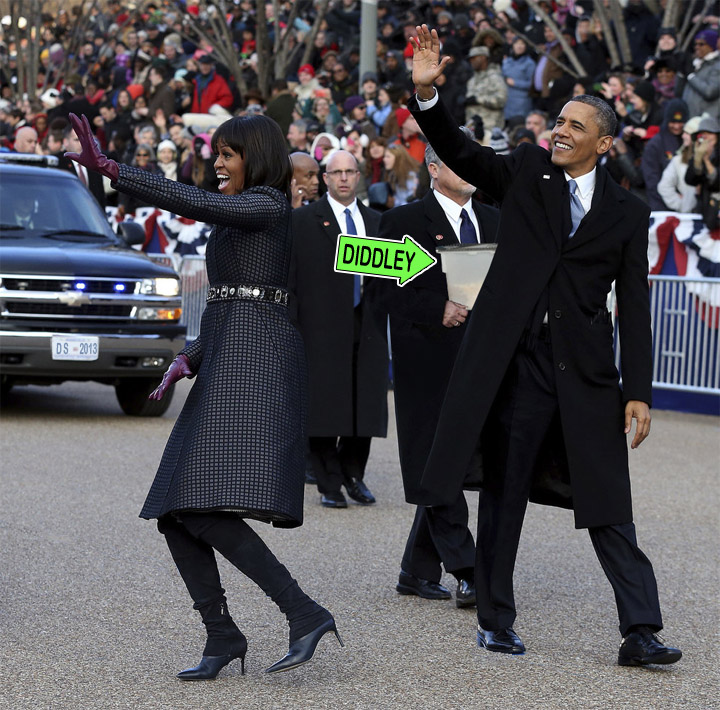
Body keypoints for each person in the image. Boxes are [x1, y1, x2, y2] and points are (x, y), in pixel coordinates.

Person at [408, 25, 682, 667]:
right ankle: (496, 619)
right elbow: (464, 152)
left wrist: (637, 390)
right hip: (519, 367)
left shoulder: (628, 210)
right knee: (504, 493)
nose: (558, 130)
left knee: (611, 500)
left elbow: (635, 307)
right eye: (557, 120)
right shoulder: (529, 171)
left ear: (604, 143)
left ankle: (640, 630)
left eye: (574, 126)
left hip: (587, 375)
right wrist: (428, 97)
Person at [64, 111, 343, 680]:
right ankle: (223, 636)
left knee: (196, 505)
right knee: (174, 509)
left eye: (228, 154)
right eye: (215, 153)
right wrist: (187, 357)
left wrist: (114, 168)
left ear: (256, 156)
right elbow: (232, 299)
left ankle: (303, 612)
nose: (217, 164)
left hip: (257, 363)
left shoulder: (265, 206)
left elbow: (196, 209)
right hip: (229, 355)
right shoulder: (242, 218)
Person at [371, 132, 499, 608]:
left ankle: (416, 569)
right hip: (427, 363)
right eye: (459, 162)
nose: (471, 170)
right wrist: (435, 308)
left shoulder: (495, 220)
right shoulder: (399, 221)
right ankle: (467, 569)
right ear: (434, 168)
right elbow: (383, 293)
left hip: (482, 362)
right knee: (437, 462)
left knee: (457, 464)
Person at [290, 150, 386, 509]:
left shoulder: (379, 223)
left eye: (350, 171)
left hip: (369, 323)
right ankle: (328, 481)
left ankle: (353, 474)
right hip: (320, 326)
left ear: (359, 176)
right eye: (336, 172)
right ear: (325, 178)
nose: (343, 178)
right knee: (324, 404)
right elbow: (293, 279)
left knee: (366, 402)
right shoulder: (302, 221)